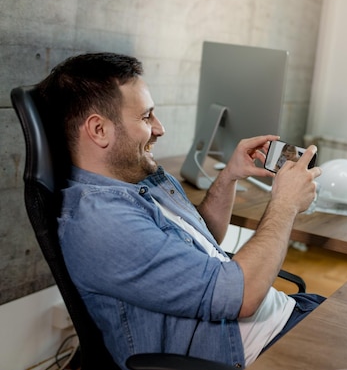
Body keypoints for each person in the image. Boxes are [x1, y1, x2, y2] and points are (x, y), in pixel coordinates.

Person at [35, 52, 325, 369]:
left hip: (287, 313)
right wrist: (285, 204)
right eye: (146, 117)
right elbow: (242, 296)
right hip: (259, 351)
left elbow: (204, 240)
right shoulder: (101, 222)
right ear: (99, 129)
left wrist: (229, 176)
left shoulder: (141, 179)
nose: (160, 129)